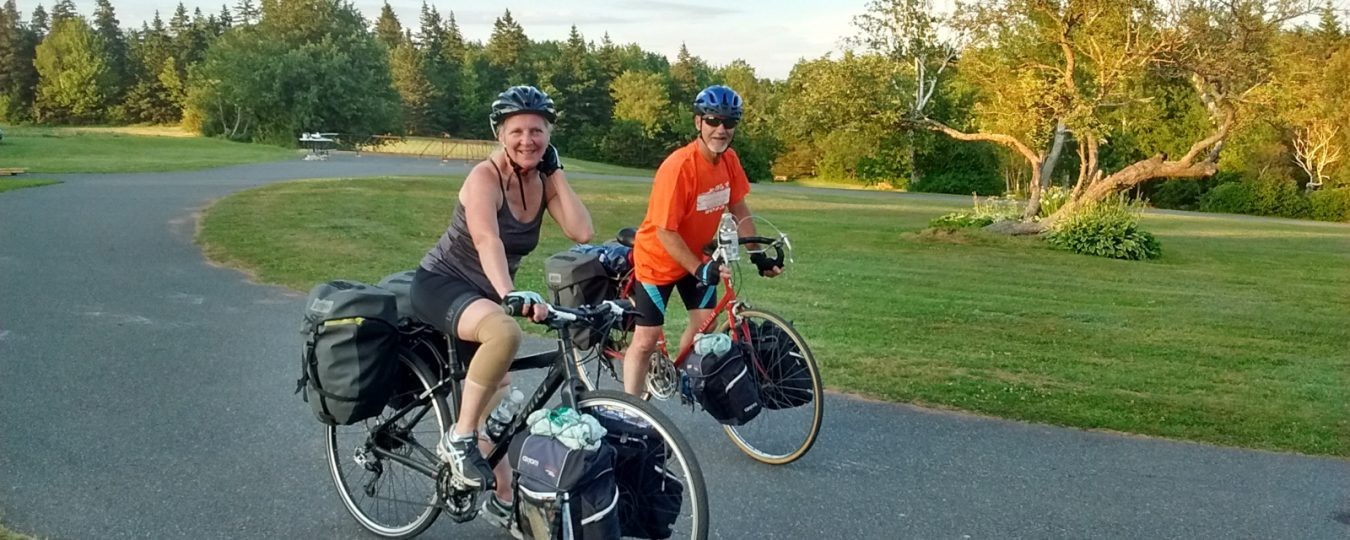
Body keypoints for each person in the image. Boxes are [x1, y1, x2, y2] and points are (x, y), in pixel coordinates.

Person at [409, 85, 592, 529]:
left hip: (484, 295)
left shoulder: (542, 177)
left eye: (538, 131)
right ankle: (458, 438)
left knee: (504, 413)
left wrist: (557, 172)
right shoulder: (482, 179)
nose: (527, 140)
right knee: (505, 334)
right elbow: (488, 239)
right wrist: (509, 294)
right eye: (517, 131)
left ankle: (504, 501)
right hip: (443, 284)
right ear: (499, 133)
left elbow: (582, 231)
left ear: (549, 136)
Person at [622, 84, 783, 396]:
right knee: (646, 338)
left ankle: (673, 373)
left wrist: (757, 253)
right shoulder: (679, 167)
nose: (721, 130)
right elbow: (665, 231)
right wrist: (699, 269)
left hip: (696, 258)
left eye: (729, 122)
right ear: (698, 122)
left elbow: (739, 207)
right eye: (713, 121)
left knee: (703, 326)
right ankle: (632, 410)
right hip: (658, 262)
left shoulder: (729, 161)